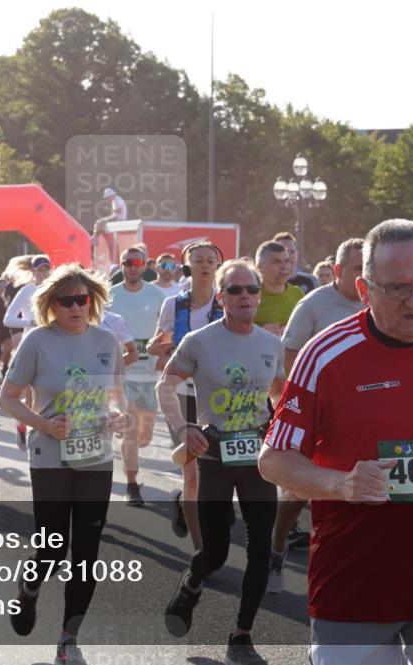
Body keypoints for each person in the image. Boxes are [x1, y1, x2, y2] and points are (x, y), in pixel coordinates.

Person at [259, 219, 413, 665]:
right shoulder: (325, 355)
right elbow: (274, 460)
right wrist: (341, 485)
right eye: (397, 289)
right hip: (356, 577)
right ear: (364, 288)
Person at [0, 264, 127, 665]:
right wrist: (43, 424)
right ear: (52, 306)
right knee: (53, 548)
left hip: (95, 455)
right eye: (66, 300)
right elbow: (8, 398)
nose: (75, 306)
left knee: (86, 553)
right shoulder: (37, 341)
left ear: (92, 302)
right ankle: (30, 588)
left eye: (82, 299)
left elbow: (118, 396)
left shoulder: (108, 341)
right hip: (49, 454)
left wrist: (118, 416)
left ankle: (68, 640)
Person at [160, 259, 285, 665]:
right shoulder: (199, 341)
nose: (245, 296)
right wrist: (183, 428)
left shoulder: (271, 344)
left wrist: (283, 431)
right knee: (213, 553)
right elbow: (168, 383)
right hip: (213, 455)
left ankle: (242, 634)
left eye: (251, 290)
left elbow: (280, 395)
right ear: (221, 297)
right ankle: (192, 584)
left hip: (257, 460)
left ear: (259, 296)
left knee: (261, 549)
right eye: (235, 291)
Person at [267, 238, 365, 594]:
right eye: (357, 270)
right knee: (296, 493)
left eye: (369, 270)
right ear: (337, 272)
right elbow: (289, 354)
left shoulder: (380, 300)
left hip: (366, 415)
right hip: (320, 413)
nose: (364, 277)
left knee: (362, 490)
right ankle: (276, 549)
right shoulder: (314, 304)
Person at [147, 240, 224, 550]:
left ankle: (185, 503)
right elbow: (155, 343)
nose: (205, 264)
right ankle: (200, 548)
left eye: (210, 260)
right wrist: (150, 348)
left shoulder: (228, 301)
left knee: (214, 470)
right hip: (181, 393)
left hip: (217, 396)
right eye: (199, 260)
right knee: (191, 470)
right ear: (188, 265)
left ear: (218, 265)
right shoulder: (173, 304)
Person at [109, 246, 167, 505]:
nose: (132, 267)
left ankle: (134, 442)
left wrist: (159, 353)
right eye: (127, 263)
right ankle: (132, 486)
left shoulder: (157, 295)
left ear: (145, 266)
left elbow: (166, 330)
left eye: (137, 262)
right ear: (121, 266)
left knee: (145, 435)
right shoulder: (110, 296)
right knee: (131, 431)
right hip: (124, 374)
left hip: (151, 375)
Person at [4, 255, 53, 447]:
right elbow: (8, 319)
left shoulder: (55, 290)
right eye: (39, 269)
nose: (43, 272)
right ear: (32, 272)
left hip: (52, 346)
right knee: (32, 393)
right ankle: (26, 427)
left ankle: (38, 428)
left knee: (48, 391)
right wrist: (29, 322)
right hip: (30, 347)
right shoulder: (27, 291)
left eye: (46, 269)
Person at [253, 241, 305, 336]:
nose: (284, 267)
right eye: (277, 262)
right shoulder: (249, 295)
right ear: (259, 267)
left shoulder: (298, 294)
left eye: (287, 261)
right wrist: (259, 330)